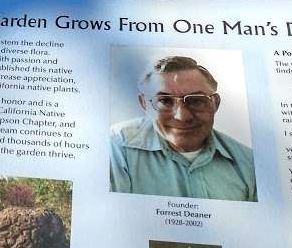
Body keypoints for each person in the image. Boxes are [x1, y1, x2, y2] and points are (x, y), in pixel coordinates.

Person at [109, 56, 256, 201]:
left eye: (196, 100)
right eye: (165, 101)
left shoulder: (248, 163)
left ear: (215, 103)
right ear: (144, 104)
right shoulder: (116, 146)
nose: (182, 117)